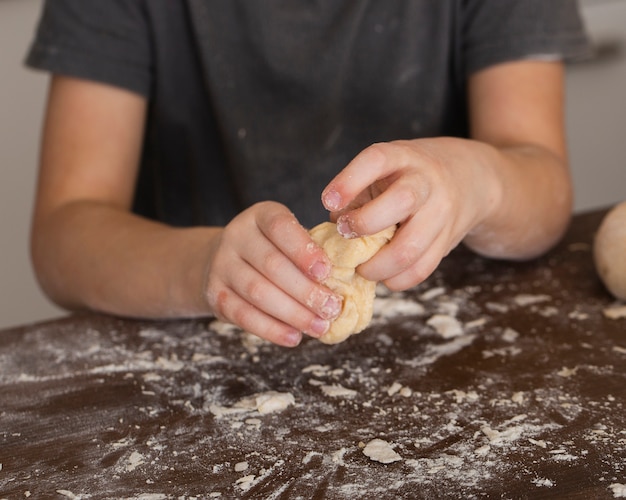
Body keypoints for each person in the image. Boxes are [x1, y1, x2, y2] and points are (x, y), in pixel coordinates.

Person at [25, 1, 590, 347]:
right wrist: (202, 268)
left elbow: (541, 192)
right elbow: (63, 237)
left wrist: (479, 178)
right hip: (191, 351)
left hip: (452, 343)